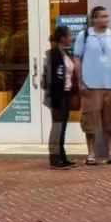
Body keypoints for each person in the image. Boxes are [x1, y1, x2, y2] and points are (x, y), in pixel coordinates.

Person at [72, 5, 111, 165]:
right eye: (102, 16)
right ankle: (91, 154)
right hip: (91, 86)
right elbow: (77, 59)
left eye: (107, 16)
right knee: (90, 121)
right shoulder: (85, 35)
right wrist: (80, 82)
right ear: (94, 19)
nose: (106, 19)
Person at [44, 25, 76, 169]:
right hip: (57, 96)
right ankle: (55, 158)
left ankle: (62, 156)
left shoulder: (67, 54)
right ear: (62, 38)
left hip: (66, 94)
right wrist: (54, 98)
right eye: (69, 35)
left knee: (62, 127)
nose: (71, 38)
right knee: (57, 127)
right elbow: (52, 77)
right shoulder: (54, 54)